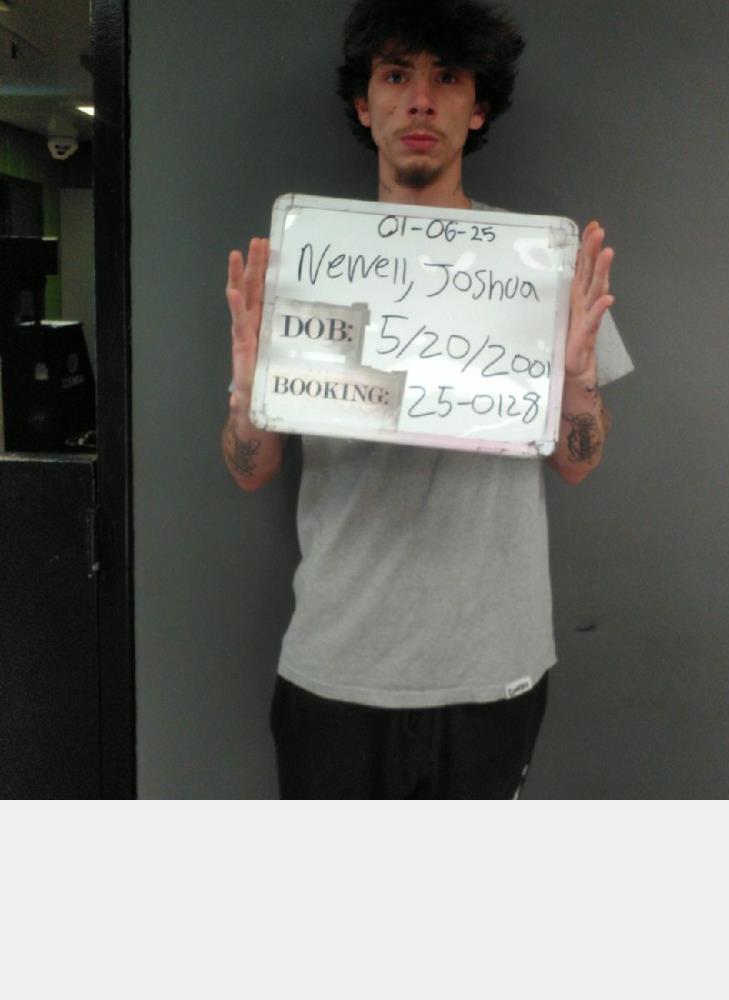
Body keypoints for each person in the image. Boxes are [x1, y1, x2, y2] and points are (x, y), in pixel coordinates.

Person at [222, 0, 633, 798]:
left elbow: (577, 464)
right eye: (394, 75)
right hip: (335, 664)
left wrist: (576, 381)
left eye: (447, 78)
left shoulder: (542, 265)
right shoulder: (308, 262)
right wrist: (248, 392)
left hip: (492, 670)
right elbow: (250, 470)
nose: (419, 100)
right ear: (362, 103)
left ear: (478, 108)